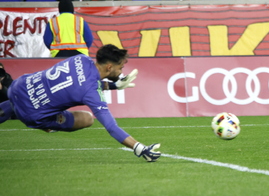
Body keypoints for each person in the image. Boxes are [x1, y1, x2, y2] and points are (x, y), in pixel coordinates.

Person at [0, 44, 162, 162]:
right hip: (32, 113)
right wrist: (139, 148)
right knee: (87, 119)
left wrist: (114, 85)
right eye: (120, 68)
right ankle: (48, 125)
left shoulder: (81, 58)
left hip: (20, 86)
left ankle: (10, 109)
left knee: (22, 102)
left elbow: (81, 81)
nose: (121, 73)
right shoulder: (91, 92)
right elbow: (111, 127)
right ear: (109, 67)